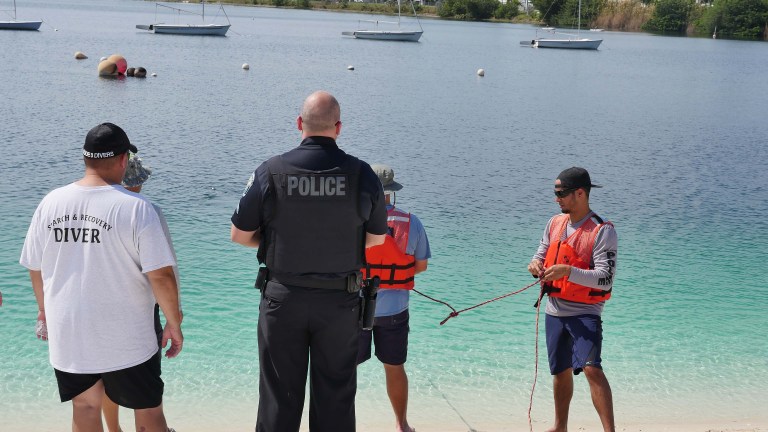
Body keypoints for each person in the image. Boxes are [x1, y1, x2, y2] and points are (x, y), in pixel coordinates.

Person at [230, 90, 388, 432]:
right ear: (339, 127)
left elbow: (239, 235)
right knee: (335, 400)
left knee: (278, 401)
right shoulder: (363, 175)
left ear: (300, 124)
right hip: (340, 304)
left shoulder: (270, 171)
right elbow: (376, 240)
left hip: (282, 299)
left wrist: (275, 242)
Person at [19, 122, 183, 432]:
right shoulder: (138, 209)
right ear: (124, 159)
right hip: (128, 337)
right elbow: (161, 276)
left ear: (86, 159)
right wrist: (174, 324)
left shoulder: (50, 202)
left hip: (69, 333)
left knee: (85, 407)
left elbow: (35, 267)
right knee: (147, 410)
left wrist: (44, 311)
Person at [527, 167, 617, 432]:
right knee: (560, 371)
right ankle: (559, 427)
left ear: (580, 193)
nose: (557, 199)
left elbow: (605, 278)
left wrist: (569, 271)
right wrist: (535, 264)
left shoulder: (602, 231)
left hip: (585, 312)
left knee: (591, 369)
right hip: (554, 312)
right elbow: (541, 253)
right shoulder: (554, 223)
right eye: (555, 193)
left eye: (562, 193)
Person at [101, 154, 182, 432]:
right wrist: (175, 317)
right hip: (139, 310)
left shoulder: (97, 209)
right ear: (139, 181)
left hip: (99, 305)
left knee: (105, 376)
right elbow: (165, 270)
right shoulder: (149, 211)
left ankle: (113, 430)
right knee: (145, 383)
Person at [358, 164, 430, 432]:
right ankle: (402, 425)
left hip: (355, 308)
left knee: (344, 367)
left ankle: (340, 422)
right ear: (392, 192)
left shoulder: (353, 220)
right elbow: (420, 267)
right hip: (394, 311)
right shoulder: (412, 222)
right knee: (395, 367)